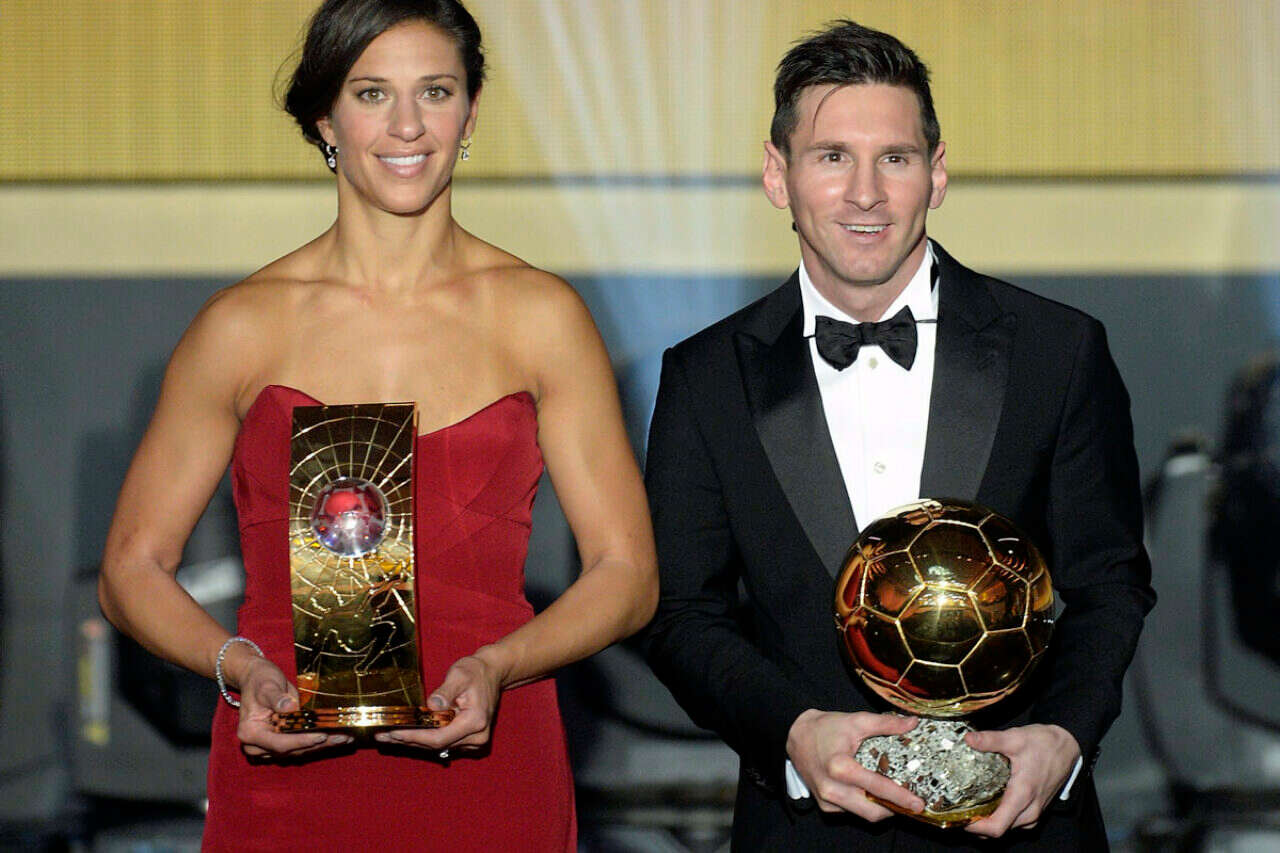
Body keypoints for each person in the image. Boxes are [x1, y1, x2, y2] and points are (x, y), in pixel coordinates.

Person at [97, 1, 657, 850]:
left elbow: (628, 572)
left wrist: (498, 665)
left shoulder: (543, 318)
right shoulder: (240, 327)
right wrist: (240, 667)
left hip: (491, 758)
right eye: (371, 93)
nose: (407, 125)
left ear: (470, 112)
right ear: (325, 119)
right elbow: (131, 568)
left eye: (435, 91)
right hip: (287, 765)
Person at [641, 20, 1155, 851]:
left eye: (895, 158)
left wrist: (1061, 737)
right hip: (805, 831)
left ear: (937, 172)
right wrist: (792, 731)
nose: (865, 193)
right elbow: (679, 613)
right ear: (777, 173)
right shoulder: (706, 376)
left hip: (1021, 827)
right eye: (831, 156)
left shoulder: (1058, 350)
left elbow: (1111, 584)